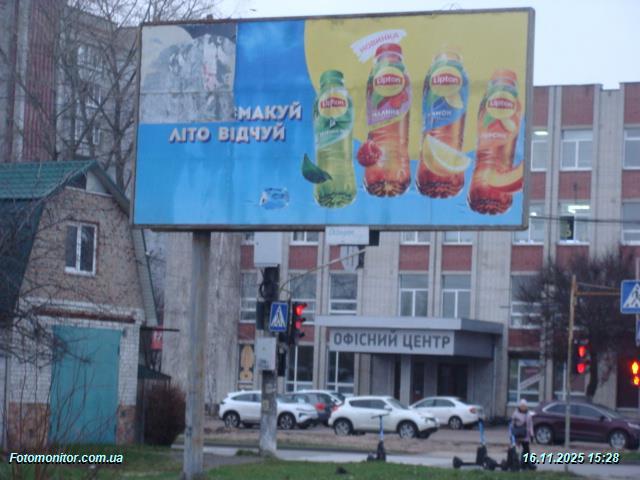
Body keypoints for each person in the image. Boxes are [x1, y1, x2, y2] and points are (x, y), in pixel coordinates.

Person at [511, 398, 535, 470]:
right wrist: (511, 434)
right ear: (519, 406)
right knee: (516, 450)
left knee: (526, 450)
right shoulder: (515, 414)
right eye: (522, 406)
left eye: (524, 406)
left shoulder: (528, 414)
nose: (523, 407)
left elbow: (530, 425)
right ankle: (516, 463)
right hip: (518, 435)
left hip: (526, 436)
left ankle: (525, 464)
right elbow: (512, 425)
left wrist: (532, 434)